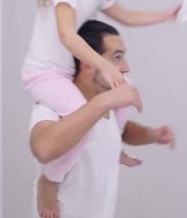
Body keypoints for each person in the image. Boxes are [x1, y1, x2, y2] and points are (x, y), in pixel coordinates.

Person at [21, 0, 180, 216]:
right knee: (91, 122)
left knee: (115, 105)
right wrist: (104, 69)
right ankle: (49, 182)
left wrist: (167, 15)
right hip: (45, 73)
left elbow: (128, 17)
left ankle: (114, 151)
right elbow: (66, 35)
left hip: (67, 72)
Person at [30, 20, 175, 218]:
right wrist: (103, 102)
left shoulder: (109, 106)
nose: (126, 67)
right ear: (88, 63)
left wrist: (153, 135)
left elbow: (118, 131)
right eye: (117, 58)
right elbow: (43, 149)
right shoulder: (53, 105)